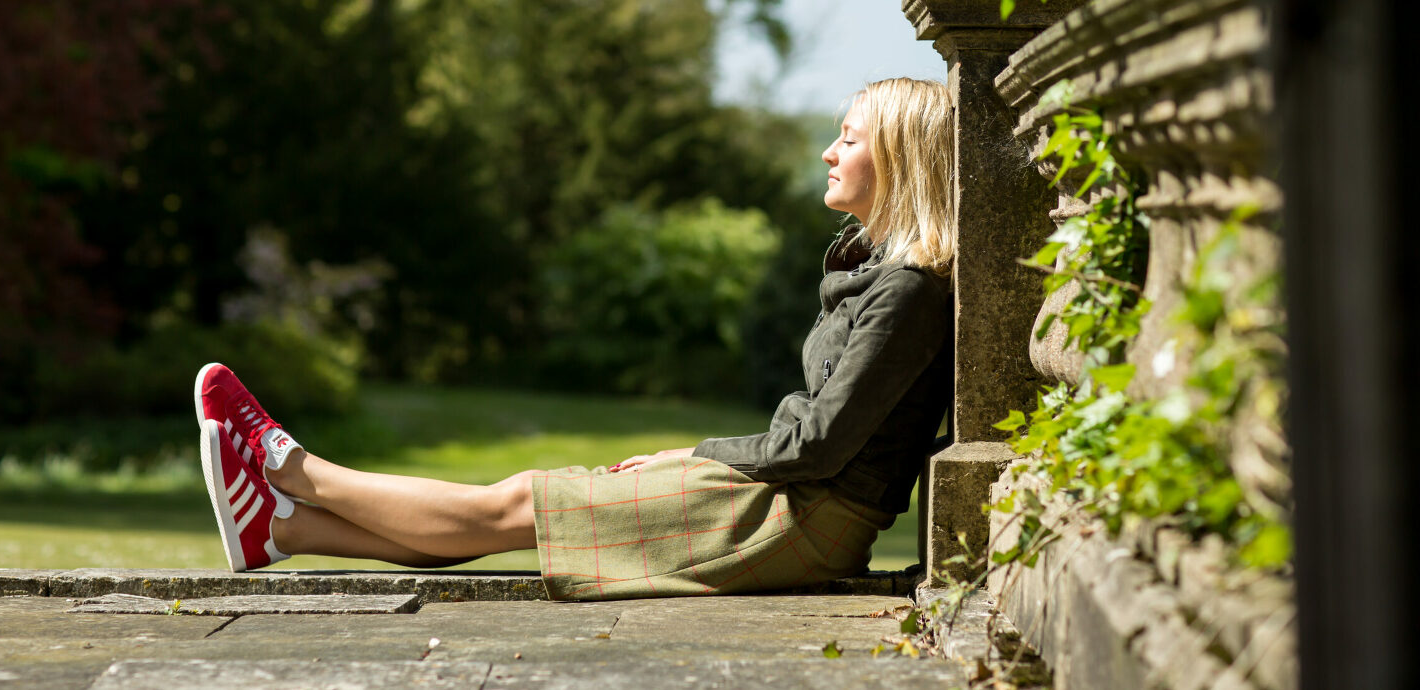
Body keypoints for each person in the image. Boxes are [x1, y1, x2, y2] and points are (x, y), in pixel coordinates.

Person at [195, 77, 956, 601]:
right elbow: (820, 438)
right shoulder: (887, 278)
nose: (828, 150)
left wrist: (696, 453)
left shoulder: (909, 290)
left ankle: (292, 468)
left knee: (521, 503)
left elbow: (819, 444)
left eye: (848, 138)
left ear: (896, 158)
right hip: (798, 506)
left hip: (804, 518)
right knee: (523, 512)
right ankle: (285, 527)